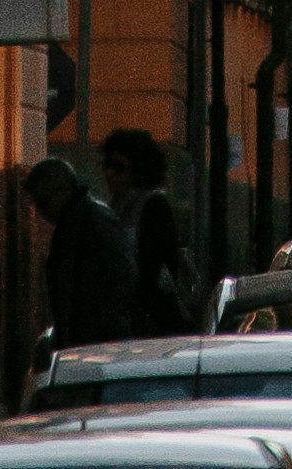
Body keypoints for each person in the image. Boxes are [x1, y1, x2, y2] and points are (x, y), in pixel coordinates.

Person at [26, 152, 140, 351]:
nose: (41, 212)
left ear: (63, 192)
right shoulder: (77, 222)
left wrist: (100, 331)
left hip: (97, 345)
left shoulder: (92, 220)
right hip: (89, 343)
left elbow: (122, 275)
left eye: (43, 202)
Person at [100, 129, 193, 333]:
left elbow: (153, 265)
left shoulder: (153, 206)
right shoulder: (113, 207)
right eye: (107, 166)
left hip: (151, 320)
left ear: (138, 170)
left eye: (119, 168)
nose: (109, 173)